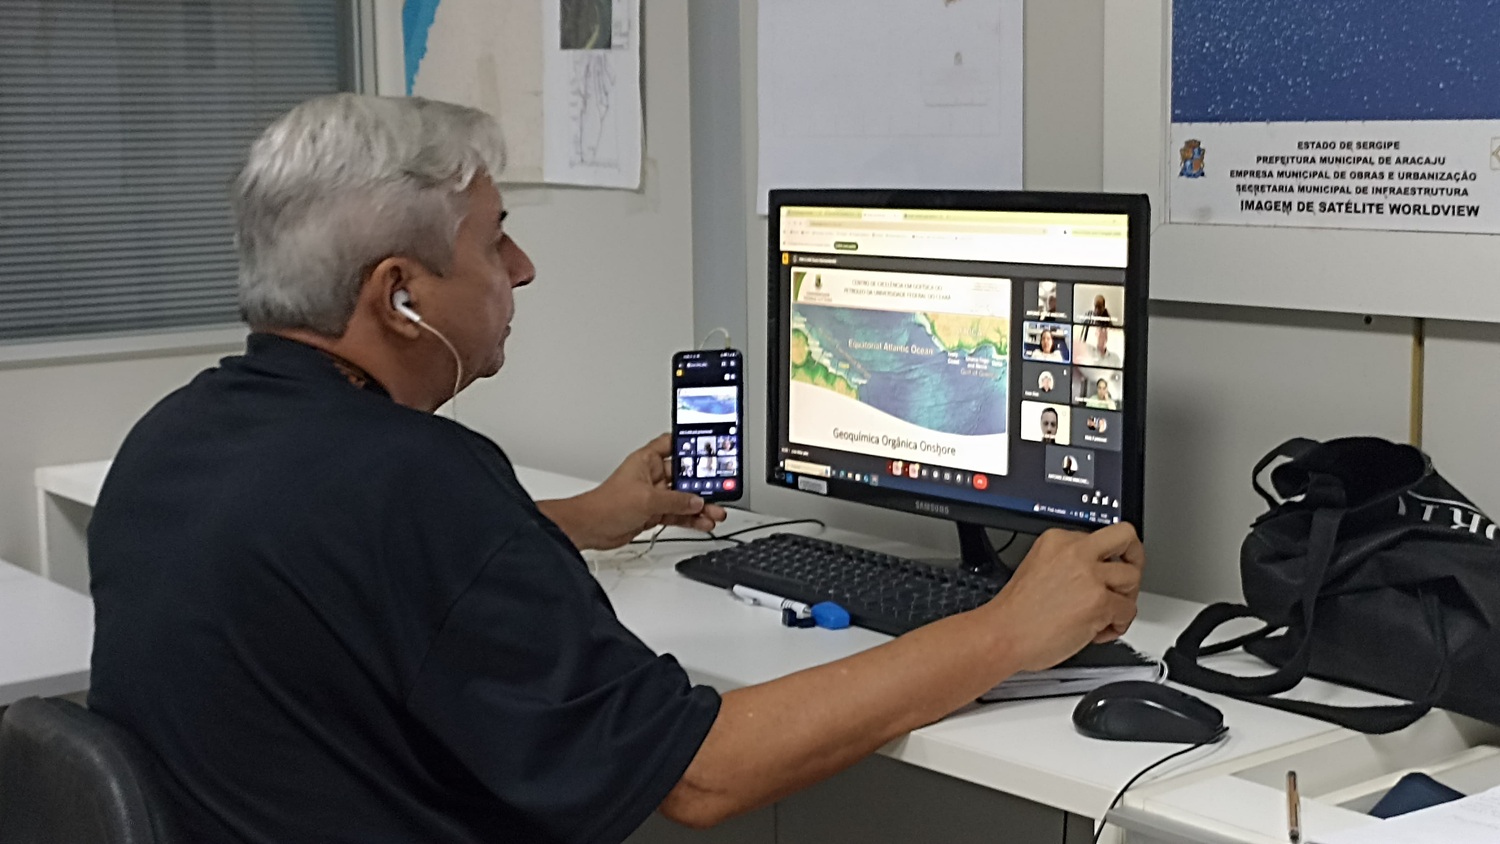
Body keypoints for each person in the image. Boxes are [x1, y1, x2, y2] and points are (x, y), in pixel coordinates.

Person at [87, 94, 1145, 844]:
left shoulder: (177, 438)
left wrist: (586, 516)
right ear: (401, 294)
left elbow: (353, 579)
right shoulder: (417, 480)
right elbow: (700, 771)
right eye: (496, 240)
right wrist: (1006, 627)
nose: (522, 268)